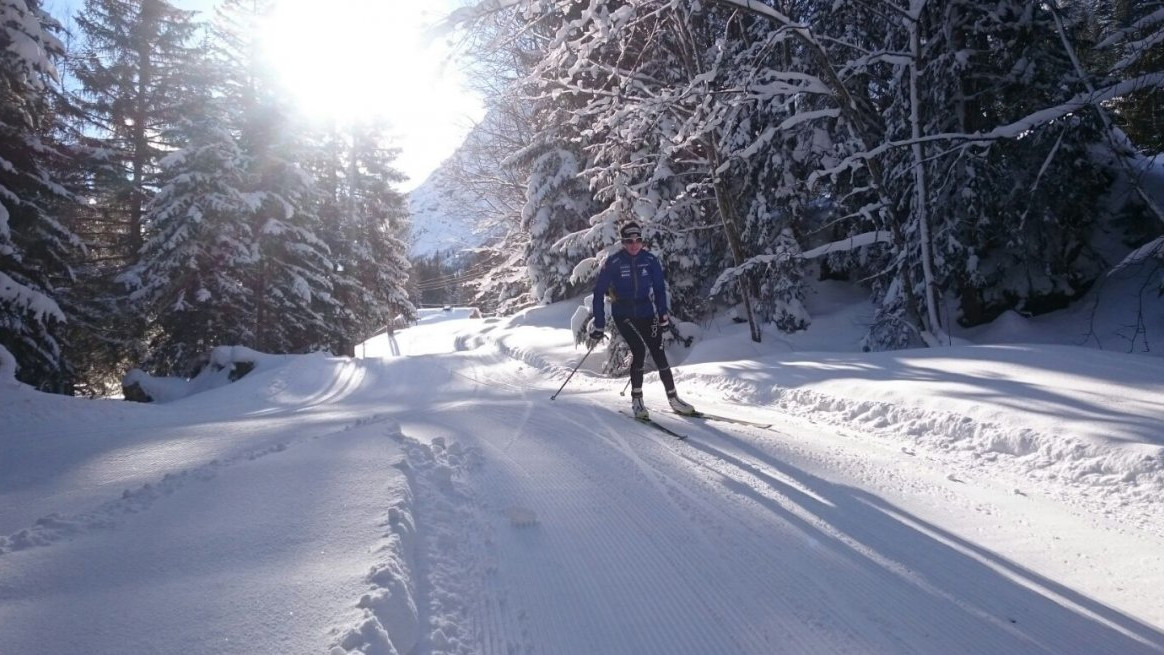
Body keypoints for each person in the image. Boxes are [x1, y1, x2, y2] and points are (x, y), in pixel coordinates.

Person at [588, 221, 695, 419]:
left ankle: (674, 399)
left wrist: (662, 315)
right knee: (638, 350)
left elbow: (659, 289)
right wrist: (599, 324)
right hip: (624, 314)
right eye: (629, 241)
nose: (634, 244)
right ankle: (637, 400)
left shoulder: (650, 260)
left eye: (638, 240)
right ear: (623, 242)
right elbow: (598, 292)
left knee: (659, 352)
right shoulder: (614, 262)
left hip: (646, 312)